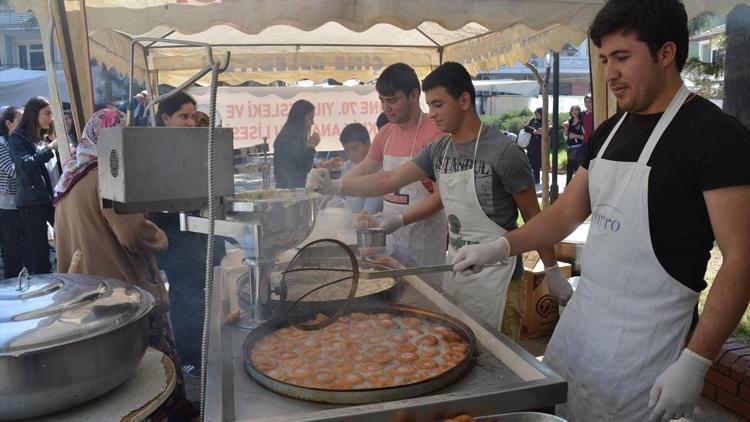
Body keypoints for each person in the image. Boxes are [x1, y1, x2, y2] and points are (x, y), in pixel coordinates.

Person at [451, 1, 750, 420]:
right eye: (605, 59)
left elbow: (741, 259)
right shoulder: (609, 133)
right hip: (583, 328)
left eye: (622, 57)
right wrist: (501, 246)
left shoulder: (715, 136)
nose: (610, 73)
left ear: (666, 53)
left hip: (648, 351)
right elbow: (565, 214)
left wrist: (696, 361)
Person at [307, 62, 571, 341]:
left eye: (437, 105)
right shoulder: (438, 150)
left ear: (465, 100)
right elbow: (388, 179)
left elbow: (534, 217)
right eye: (429, 105)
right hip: (455, 271)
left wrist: (552, 270)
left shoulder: (505, 153)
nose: (431, 114)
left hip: (500, 279)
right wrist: (336, 185)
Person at [53, 108, 195, 420]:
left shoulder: (71, 176)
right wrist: (160, 238)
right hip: (124, 295)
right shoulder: (109, 173)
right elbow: (132, 234)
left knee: (116, 387)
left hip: (85, 297)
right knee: (153, 373)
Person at [339, 63, 448, 268]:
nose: (386, 108)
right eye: (382, 101)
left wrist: (401, 219)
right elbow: (364, 168)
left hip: (423, 239)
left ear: (414, 95)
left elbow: (441, 197)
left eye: (392, 100)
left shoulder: (435, 133)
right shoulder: (386, 133)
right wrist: (333, 186)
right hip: (390, 240)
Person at [149, 91, 225, 378]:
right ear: (165, 118)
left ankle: (212, 348)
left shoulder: (197, 144)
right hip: (177, 235)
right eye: (184, 116)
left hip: (203, 230)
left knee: (211, 291)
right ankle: (190, 356)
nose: (191, 122)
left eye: (192, 115)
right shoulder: (153, 150)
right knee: (185, 296)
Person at [8, 97, 59, 274]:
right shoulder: (17, 137)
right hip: (31, 202)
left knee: (64, 239)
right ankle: (41, 289)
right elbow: (24, 164)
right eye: (47, 113)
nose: (51, 118)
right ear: (33, 113)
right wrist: (51, 148)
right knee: (39, 250)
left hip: (52, 198)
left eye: (52, 114)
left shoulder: (43, 137)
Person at [327, 123, 383, 215]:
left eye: (354, 149)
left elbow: (369, 210)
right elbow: (338, 197)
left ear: (368, 143)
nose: (351, 155)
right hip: (348, 221)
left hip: (367, 223)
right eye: (347, 151)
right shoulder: (347, 166)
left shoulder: (379, 169)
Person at [0, 106, 28, 278]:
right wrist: (34, 160)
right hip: (8, 204)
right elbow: (12, 170)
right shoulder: (2, 144)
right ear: (8, 123)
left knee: (23, 247)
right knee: (12, 249)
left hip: (22, 201)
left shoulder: (21, 140)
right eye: (20, 121)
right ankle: (11, 285)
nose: (25, 124)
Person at [272, 100, 320, 188]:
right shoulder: (289, 139)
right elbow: (302, 167)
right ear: (301, 118)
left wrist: (318, 166)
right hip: (291, 192)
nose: (313, 123)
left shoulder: (291, 135)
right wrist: (311, 147)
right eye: (310, 118)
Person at [522, 107, 546, 184]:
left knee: (537, 164)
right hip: (532, 145)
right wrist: (534, 131)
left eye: (537, 113)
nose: (536, 115)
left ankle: (537, 179)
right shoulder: (533, 120)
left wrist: (542, 131)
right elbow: (525, 127)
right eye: (535, 113)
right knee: (529, 162)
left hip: (541, 145)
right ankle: (529, 179)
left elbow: (550, 129)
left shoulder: (546, 121)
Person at [563, 105, 585, 184]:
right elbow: (565, 137)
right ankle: (568, 187)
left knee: (577, 169)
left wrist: (575, 136)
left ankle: (578, 187)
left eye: (576, 110)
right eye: (573, 110)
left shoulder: (582, 122)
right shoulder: (569, 121)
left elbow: (585, 136)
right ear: (570, 112)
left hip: (579, 148)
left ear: (579, 111)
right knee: (570, 168)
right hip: (570, 148)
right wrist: (565, 131)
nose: (574, 112)